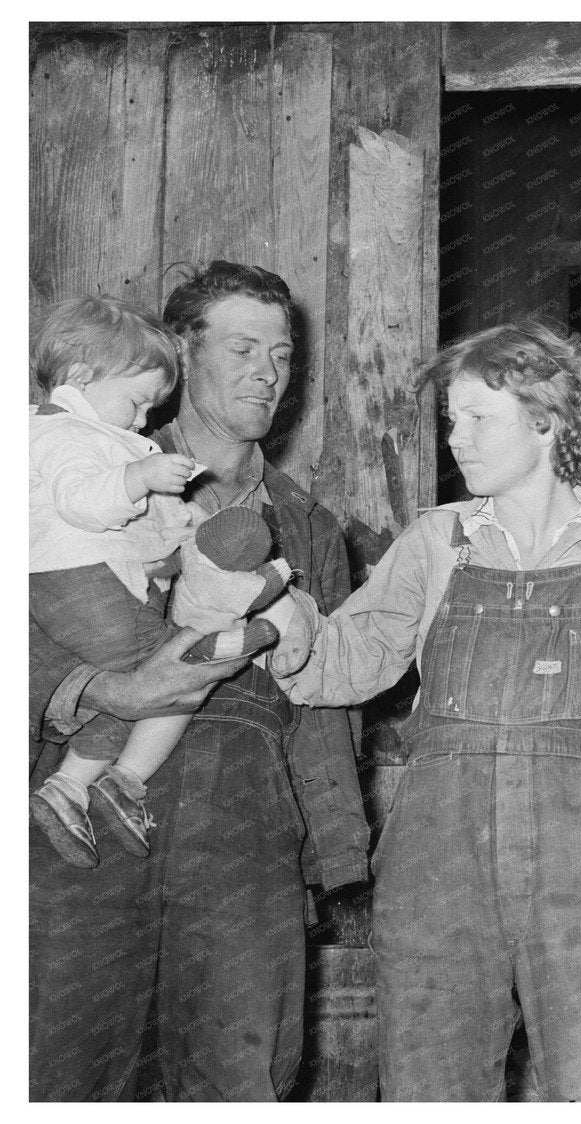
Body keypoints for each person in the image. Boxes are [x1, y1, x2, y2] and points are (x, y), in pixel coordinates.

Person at [269, 320, 581, 1101]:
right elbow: (344, 659)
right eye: (452, 419)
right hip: (439, 872)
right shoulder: (436, 543)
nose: (456, 438)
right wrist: (279, 621)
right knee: (432, 1091)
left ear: (547, 422)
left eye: (478, 417)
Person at [29, 261, 368, 1101]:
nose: (268, 373)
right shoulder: (83, 466)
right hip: (85, 803)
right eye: (243, 349)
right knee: (63, 1074)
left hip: (244, 833)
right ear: (183, 352)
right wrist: (96, 691)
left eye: (282, 356)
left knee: (237, 1080)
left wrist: (329, 854)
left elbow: (327, 713)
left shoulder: (312, 528)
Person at [29, 296, 290, 868]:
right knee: (178, 667)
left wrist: (176, 535)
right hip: (79, 584)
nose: (143, 420)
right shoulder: (69, 434)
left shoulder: (80, 434)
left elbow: (142, 532)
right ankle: (125, 780)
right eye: (137, 402)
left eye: (281, 354)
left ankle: (71, 786)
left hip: (85, 584)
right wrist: (141, 474)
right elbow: (84, 501)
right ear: (80, 376)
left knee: (129, 686)